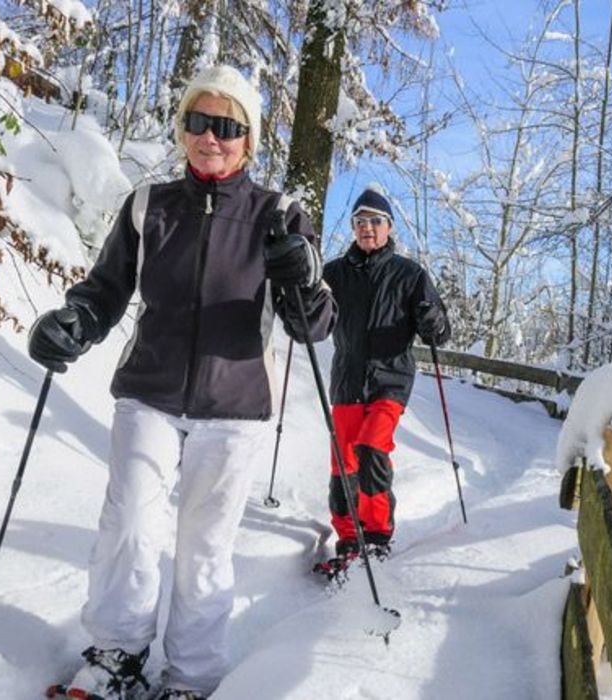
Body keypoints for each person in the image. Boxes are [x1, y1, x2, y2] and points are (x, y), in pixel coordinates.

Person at [28, 65, 335, 700]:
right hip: (150, 392)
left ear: (248, 139)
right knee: (131, 523)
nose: (210, 137)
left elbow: (315, 324)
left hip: (234, 408)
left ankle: (191, 678)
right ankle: (117, 653)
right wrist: (75, 321)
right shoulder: (149, 206)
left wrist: (301, 275)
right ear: (183, 128)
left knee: (204, 549)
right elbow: (106, 287)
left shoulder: (278, 215)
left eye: (227, 126)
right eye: (199, 121)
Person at [317, 186, 451, 570]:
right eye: (360, 222)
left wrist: (432, 320)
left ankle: (375, 534)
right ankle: (347, 536)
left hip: (389, 379)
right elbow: (313, 322)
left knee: (372, 447)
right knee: (342, 461)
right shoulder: (333, 274)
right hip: (346, 380)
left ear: (389, 227)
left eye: (375, 221)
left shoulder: (409, 275)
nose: (367, 229)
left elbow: (439, 334)